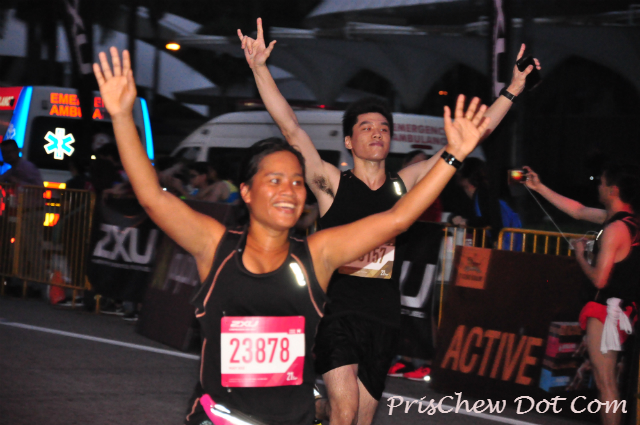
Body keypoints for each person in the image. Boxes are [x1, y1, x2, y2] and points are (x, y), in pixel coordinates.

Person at [94, 47, 489, 425]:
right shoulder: (214, 246)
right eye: (275, 180)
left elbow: (398, 218)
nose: (289, 190)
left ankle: (319, 407)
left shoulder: (319, 255)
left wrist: (454, 153)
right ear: (246, 191)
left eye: (298, 181)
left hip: (294, 415)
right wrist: (122, 116)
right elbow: (151, 197)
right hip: (221, 418)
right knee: (343, 409)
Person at [238, 18, 540, 425]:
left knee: (357, 419)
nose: (377, 132)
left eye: (383, 127)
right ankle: (325, 407)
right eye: (366, 127)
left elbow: (469, 141)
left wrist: (513, 89)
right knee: (345, 413)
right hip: (335, 310)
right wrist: (260, 68)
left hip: (383, 315)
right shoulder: (330, 183)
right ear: (349, 141)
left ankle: (314, 407)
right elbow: (291, 128)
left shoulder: (404, 184)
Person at [524, 164, 640, 425]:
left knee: (606, 384)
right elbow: (577, 210)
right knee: (609, 382)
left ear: (612, 190)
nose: (598, 186)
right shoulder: (627, 222)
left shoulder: (614, 229)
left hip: (607, 311)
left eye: (601, 183)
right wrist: (539, 187)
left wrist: (580, 256)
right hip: (624, 309)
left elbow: (600, 279)